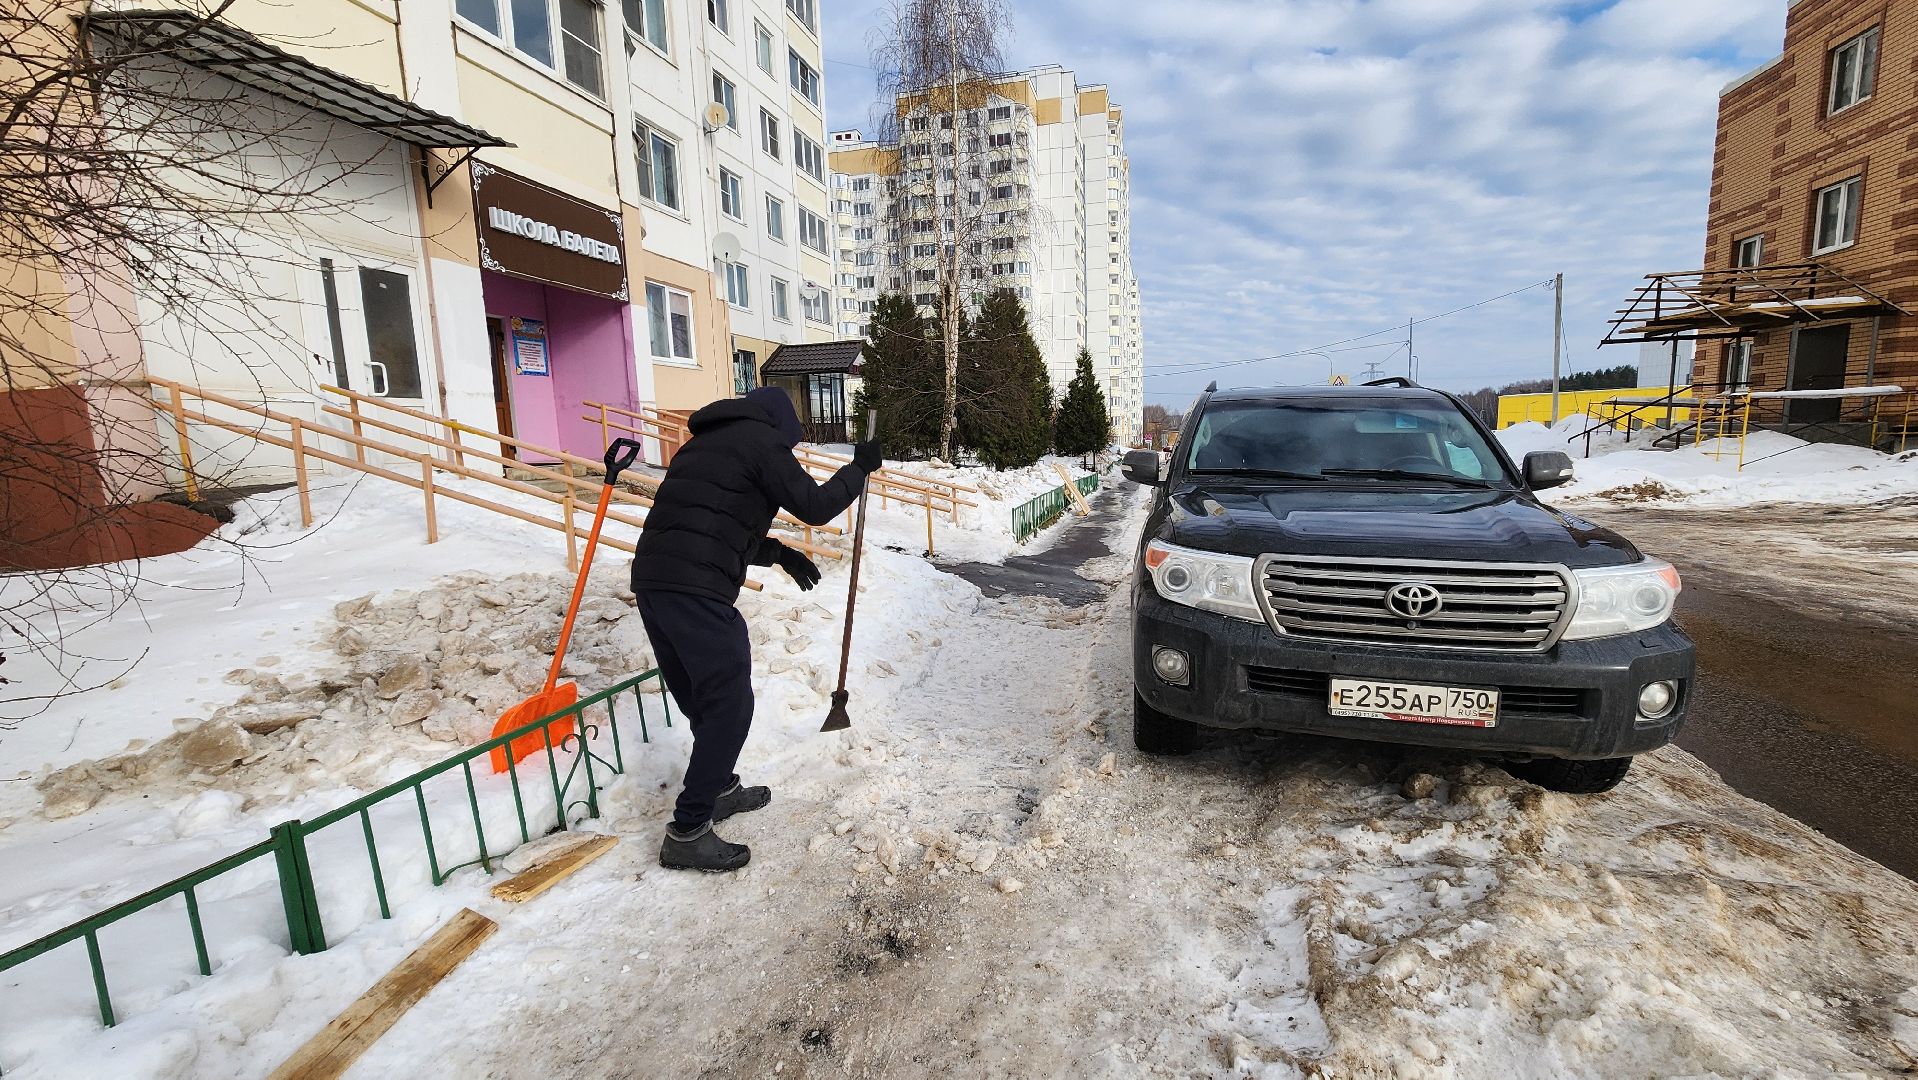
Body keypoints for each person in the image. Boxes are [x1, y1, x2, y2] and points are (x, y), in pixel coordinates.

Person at [631, 387, 880, 872]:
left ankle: (718, 787)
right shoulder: (761, 442)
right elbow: (815, 504)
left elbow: (713, 522)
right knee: (729, 704)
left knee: (703, 697)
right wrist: (858, 468)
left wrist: (778, 553)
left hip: (655, 582)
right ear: (781, 426)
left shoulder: (702, 445)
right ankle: (687, 831)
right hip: (696, 587)